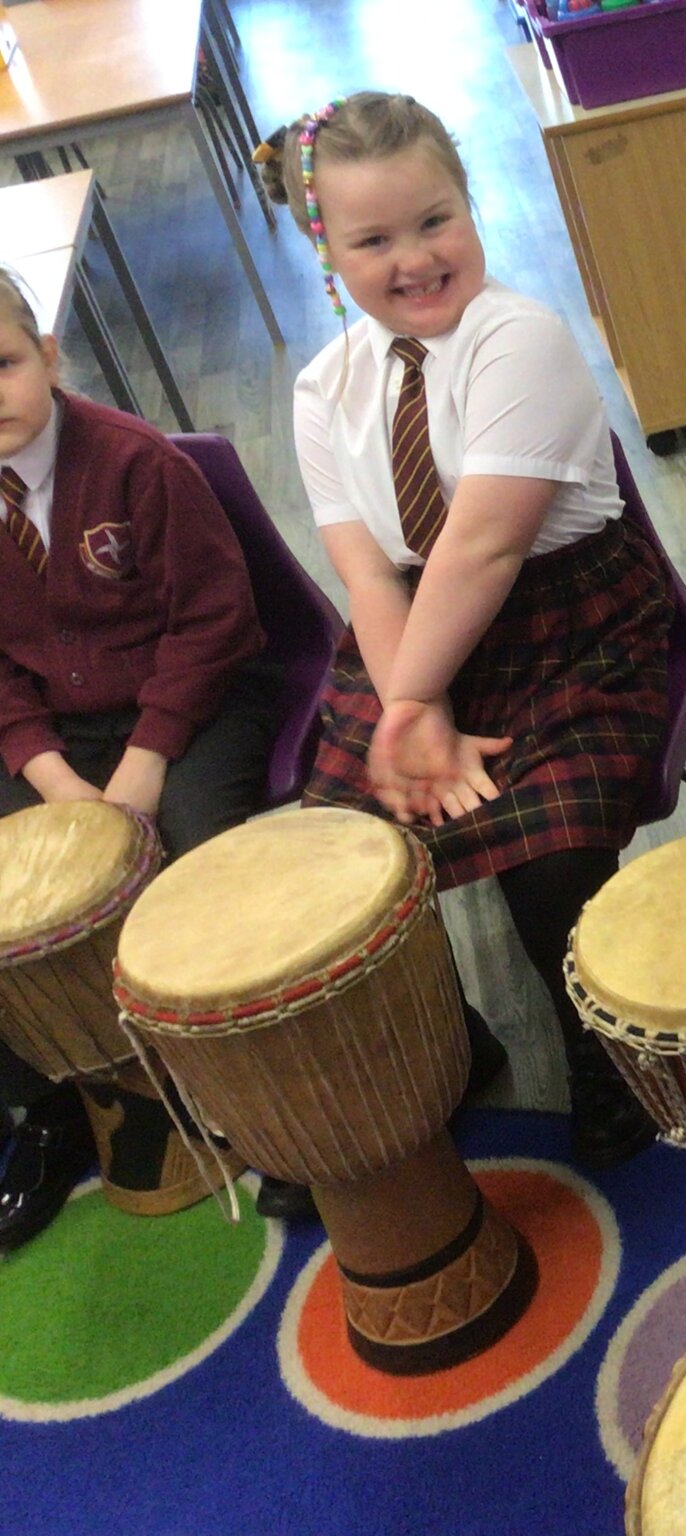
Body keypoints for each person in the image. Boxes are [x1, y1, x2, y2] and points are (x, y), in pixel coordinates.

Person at [260, 92, 673, 1171]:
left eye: (435, 220)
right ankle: (446, 1049)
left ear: (471, 204)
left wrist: (405, 712)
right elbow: (366, 567)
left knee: (548, 855)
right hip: (415, 634)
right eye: (373, 240)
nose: (414, 258)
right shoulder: (323, 386)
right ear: (326, 251)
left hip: (570, 621)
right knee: (352, 853)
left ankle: (601, 1051)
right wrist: (418, 709)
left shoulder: (520, 340)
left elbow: (486, 549)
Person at [0, 266, 277, 1244]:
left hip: (198, 701)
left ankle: (266, 1085)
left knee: (198, 853)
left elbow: (214, 623)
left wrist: (149, 759)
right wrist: (47, 773)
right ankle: (51, 1108)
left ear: (48, 357)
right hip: (57, 737)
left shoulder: (135, 462)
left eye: (1, 364)